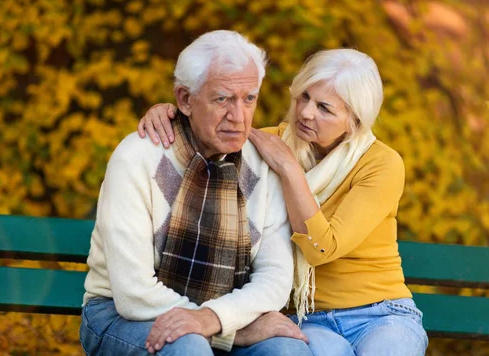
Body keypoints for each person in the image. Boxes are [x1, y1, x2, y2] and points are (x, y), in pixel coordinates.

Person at [139, 48, 429, 356]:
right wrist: (169, 113)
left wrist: (290, 168)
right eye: (304, 97)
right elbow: (208, 132)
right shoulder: (269, 144)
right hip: (307, 320)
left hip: (380, 315)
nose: (306, 112)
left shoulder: (381, 164)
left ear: (353, 121)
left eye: (324, 108)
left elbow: (321, 248)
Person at [80, 30, 312, 356]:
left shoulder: (262, 166)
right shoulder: (137, 158)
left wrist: (213, 319)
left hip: (225, 316)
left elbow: (274, 277)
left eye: (249, 98)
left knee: (289, 352)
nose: (238, 116)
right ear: (185, 100)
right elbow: (133, 293)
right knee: (188, 348)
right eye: (222, 99)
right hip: (120, 316)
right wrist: (226, 333)